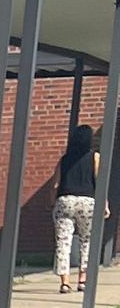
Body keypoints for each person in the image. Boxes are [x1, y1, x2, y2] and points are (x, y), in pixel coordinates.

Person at [55, 122, 99, 293]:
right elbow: (99, 181)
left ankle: (65, 282)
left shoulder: (64, 159)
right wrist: (105, 204)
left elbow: (56, 183)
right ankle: (82, 279)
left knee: (63, 242)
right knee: (86, 240)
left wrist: (52, 201)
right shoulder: (94, 157)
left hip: (65, 199)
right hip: (87, 200)